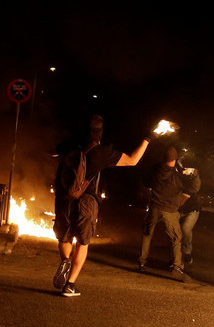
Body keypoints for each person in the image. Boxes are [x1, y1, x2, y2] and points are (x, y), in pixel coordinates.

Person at [52, 115, 151, 297]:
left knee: (64, 237)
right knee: (83, 241)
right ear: (100, 133)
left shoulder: (71, 145)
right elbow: (133, 160)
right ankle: (70, 285)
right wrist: (147, 139)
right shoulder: (101, 152)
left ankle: (65, 260)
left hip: (65, 198)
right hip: (87, 201)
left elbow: (53, 152)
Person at [137, 146, 200, 282]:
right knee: (176, 239)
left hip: (154, 207)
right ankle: (177, 268)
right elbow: (194, 188)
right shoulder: (176, 176)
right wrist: (195, 175)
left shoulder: (156, 171)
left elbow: (144, 180)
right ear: (174, 160)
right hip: (170, 211)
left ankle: (142, 262)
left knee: (147, 234)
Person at [177, 162, 201, 266]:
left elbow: (193, 189)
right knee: (176, 233)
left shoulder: (195, 180)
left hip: (192, 210)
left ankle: (187, 252)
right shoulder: (178, 176)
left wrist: (194, 175)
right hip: (179, 210)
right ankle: (177, 259)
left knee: (185, 228)